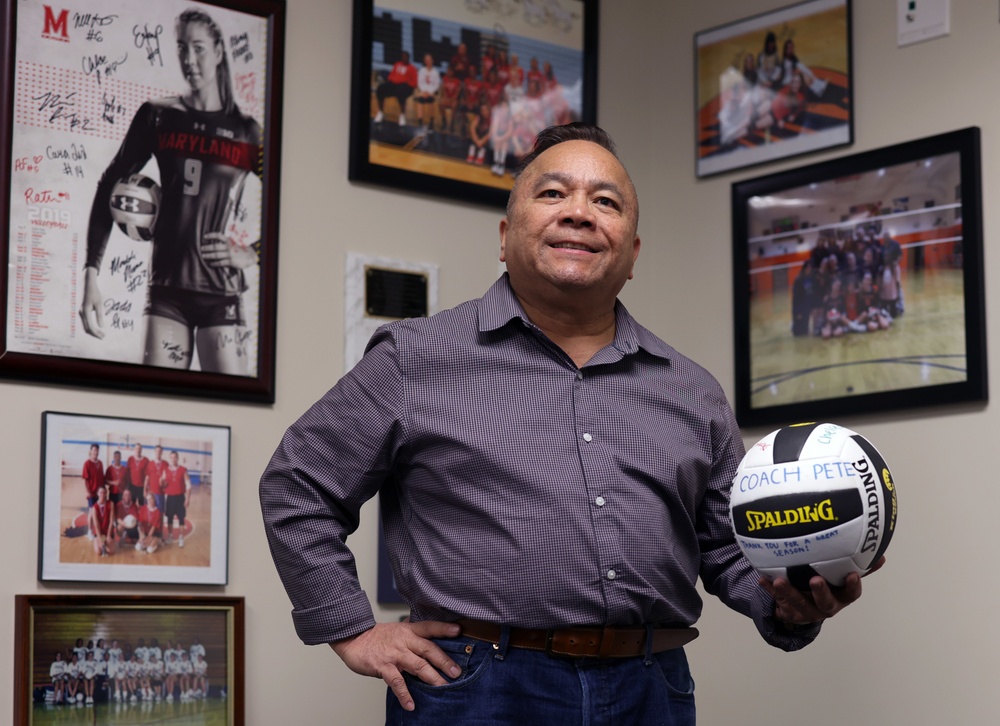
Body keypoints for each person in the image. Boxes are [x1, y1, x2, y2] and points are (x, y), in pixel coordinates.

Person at [259, 123, 875, 723]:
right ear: (505, 236)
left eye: (606, 202)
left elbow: (726, 548)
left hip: (650, 689)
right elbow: (299, 485)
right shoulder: (414, 358)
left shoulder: (692, 389)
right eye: (553, 193)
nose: (579, 213)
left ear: (632, 253)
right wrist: (351, 628)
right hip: (476, 689)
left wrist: (792, 605)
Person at [79, 9, 263, 375]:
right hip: (165, 291)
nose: (188, 60)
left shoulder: (246, 132)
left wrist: (252, 253)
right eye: (181, 48)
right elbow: (108, 185)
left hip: (221, 294)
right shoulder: (158, 116)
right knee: (154, 408)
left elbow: (286, 209)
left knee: (232, 413)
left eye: (198, 48)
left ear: (218, 51)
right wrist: (91, 274)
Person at [373, 50, 418, 126]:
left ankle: (402, 115)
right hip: (393, 84)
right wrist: (391, 81)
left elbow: (414, 82)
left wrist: (405, 83)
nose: (404, 58)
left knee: (401, 92)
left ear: (408, 58)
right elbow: (391, 76)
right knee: (381, 89)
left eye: (406, 57)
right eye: (403, 57)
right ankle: (381, 112)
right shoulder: (397, 64)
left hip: (405, 86)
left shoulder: (412, 68)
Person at [162, 450, 193, 547]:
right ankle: (170, 536)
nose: (173, 459)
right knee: (169, 518)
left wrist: (187, 499)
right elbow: (163, 484)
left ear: (177, 458)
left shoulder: (183, 470)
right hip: (170, 497)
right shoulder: (166, 470)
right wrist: (162, 483)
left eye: (174, 457)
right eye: (171, 457)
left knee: (181, 518)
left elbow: (188, 485)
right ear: (169, 458)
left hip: (180, 497)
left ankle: (181, 538)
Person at [80, 445, 104, 542]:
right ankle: (89, 531)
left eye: (97, 450)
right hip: (91, 493)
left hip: (99, 493)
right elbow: (85, 480)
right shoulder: (87, 463)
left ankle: (97, 530)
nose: (96, 452)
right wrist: (87, 491)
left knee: (98, 512)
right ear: (90, 451)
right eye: (94, 450)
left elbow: (102, 477)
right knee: (91, 512)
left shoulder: (100, 463)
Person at [413, 54, 440, 131]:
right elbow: (420, 83)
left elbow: (436, 84)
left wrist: (430, 92)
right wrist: (424, 91)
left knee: (431, 100)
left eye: (429, 60)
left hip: (431, 92)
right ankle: (420, 122)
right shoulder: (422, 70)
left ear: (432, 61)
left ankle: (431, 122)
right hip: (423, 91)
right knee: (420, 100)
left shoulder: (435, 72)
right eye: (426, 60)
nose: (428, 62)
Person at [88, 485, 117, 557]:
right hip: (99, 533)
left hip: (108, 532)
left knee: (110, 551)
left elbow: (111, 521)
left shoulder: (111, 504)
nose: (102, 494)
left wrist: (109, 536)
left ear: (106, 493)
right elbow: (96, 525)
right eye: (101, 492)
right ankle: (98, 541)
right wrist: (100, 539)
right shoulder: (94, 507)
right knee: (98, 552)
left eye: (104, 493)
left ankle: (107, 542)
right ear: (98, 494)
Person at [126, 442, 148, 507]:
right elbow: (127, 473)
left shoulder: (146, 460)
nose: (138, 450)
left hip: (141, 486)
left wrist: (145, 489)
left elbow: (147, 476)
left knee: (142, 504)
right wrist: (127, 487)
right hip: (132, 486)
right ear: (134, 449)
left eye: (139, 448)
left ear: (141, 450)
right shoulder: (130, 459)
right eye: (136, 448)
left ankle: (141, 517)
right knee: (131, 504)